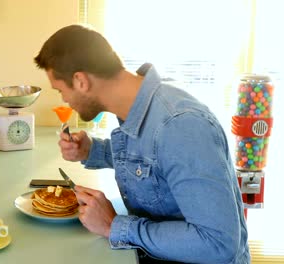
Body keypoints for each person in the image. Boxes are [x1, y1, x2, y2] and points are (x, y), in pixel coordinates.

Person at [34, 24, 250, 264]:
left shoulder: (180, 126)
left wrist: (114, 226)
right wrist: (92, 150)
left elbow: (218, 244)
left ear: (81, 81)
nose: (64, 99)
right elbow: (155, 162)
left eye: (60, 90)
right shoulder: (138, 108)